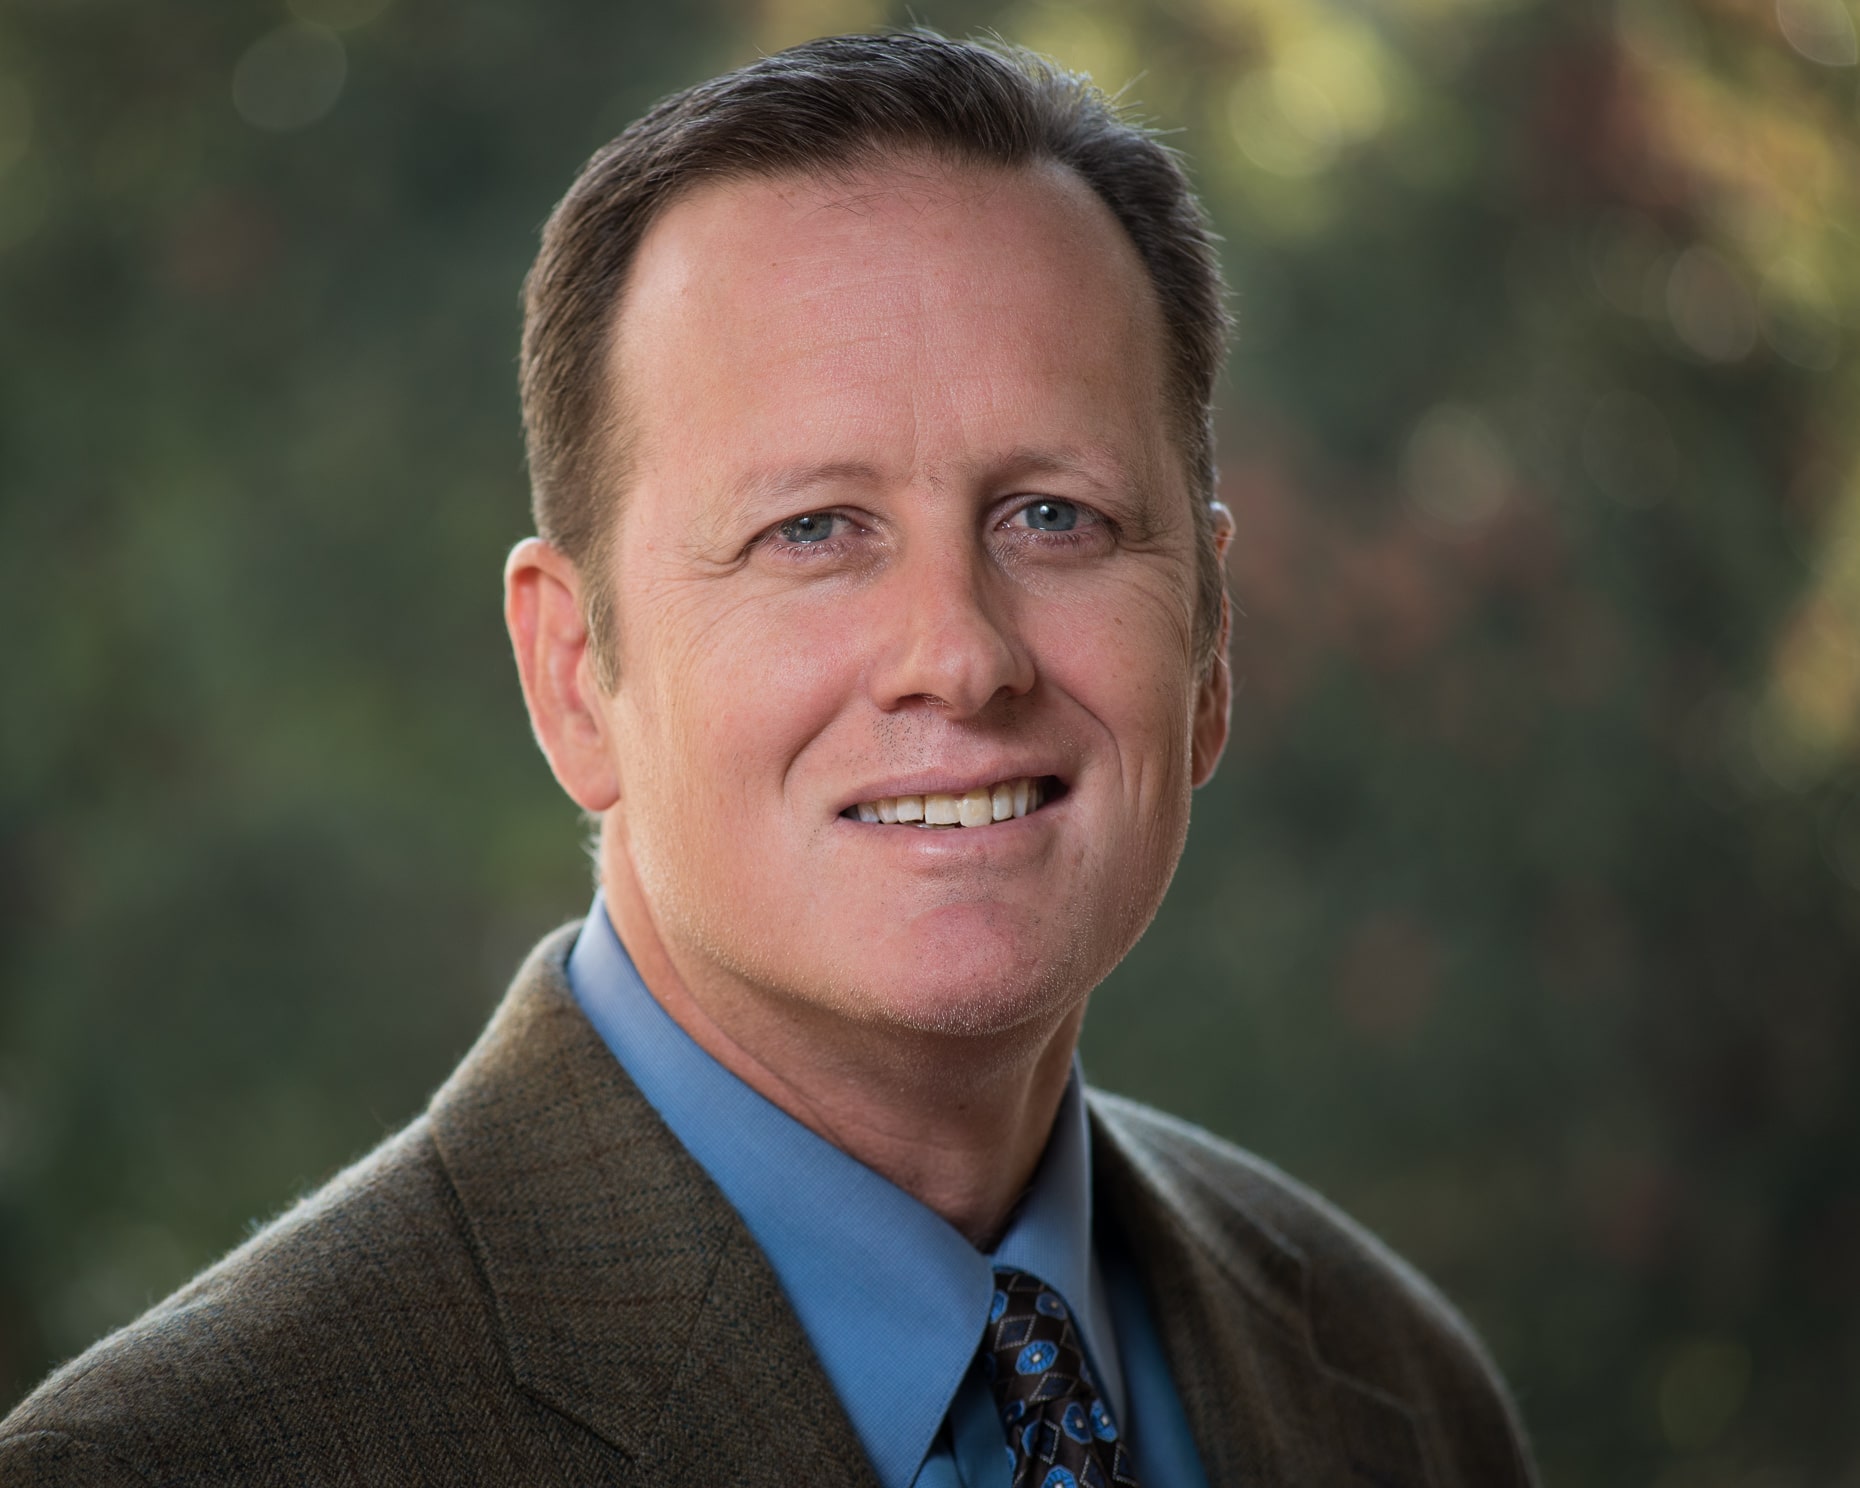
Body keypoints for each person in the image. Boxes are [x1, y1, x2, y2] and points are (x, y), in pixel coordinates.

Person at [0, 31, 1537, 1488]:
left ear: (1209, 642)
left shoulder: (1393, 1393)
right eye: (813, 530)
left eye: (1053, 516)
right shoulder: (183, 1463)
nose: (960, 653)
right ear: (572, 676)